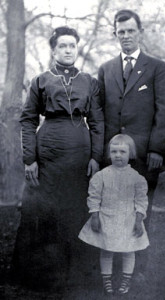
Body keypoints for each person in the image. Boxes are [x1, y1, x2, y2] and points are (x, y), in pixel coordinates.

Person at [10, 26, 104, 291]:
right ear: (53, 50)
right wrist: (30, 158)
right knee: (42, 210)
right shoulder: (41, 80)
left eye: (72, 45)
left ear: (77, 48)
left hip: (80, 155)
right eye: (62, 46)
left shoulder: (89, 81)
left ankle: (78, 278)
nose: (68, 50)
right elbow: (28, 120)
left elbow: (97, 122)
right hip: (48, 153)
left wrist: (96, 156)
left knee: (77, 210)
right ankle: (40, 277)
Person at [98, 9, 165, 232]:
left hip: (145, 156)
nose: (126, 35)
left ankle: (138, 267)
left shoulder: (157, 67)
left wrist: (157, 149)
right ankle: (112, 267)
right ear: (115, 34)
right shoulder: (106, 69)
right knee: (111, 212)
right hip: (112, 155)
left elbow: (164, 110)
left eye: (131, 30)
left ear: (140, 32)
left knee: (140, 215)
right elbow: (99, 112)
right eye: (121, 32)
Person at [79, 134, 149, 295]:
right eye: (114, 151)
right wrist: (95, 216)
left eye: (123, 152)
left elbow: (141, 201)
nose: (118, 155)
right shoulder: (101, 176)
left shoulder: (137, 178)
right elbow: (94, 197)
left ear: (130, 154)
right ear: (109, 153)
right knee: (106, 250)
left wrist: (139, 220)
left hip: (128, 220)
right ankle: (107, 281)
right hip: (107, 218)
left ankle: (126, 280)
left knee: (128, 251)